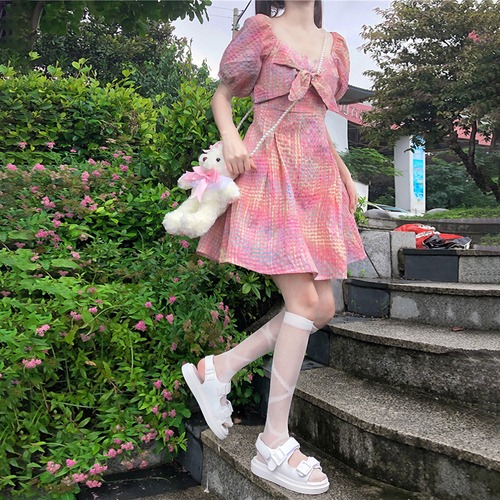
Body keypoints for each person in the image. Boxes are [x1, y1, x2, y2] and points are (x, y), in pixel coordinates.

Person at [182, 0, 365, 494]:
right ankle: (273, 442)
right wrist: (230, 137)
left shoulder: (335, 47)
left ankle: (219, 368)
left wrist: (344, 171)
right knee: (302, 303)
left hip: (317, 177)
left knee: (323, 307)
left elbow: (317, 119)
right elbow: (223, 94)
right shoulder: (262, 30)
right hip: (272, 172)